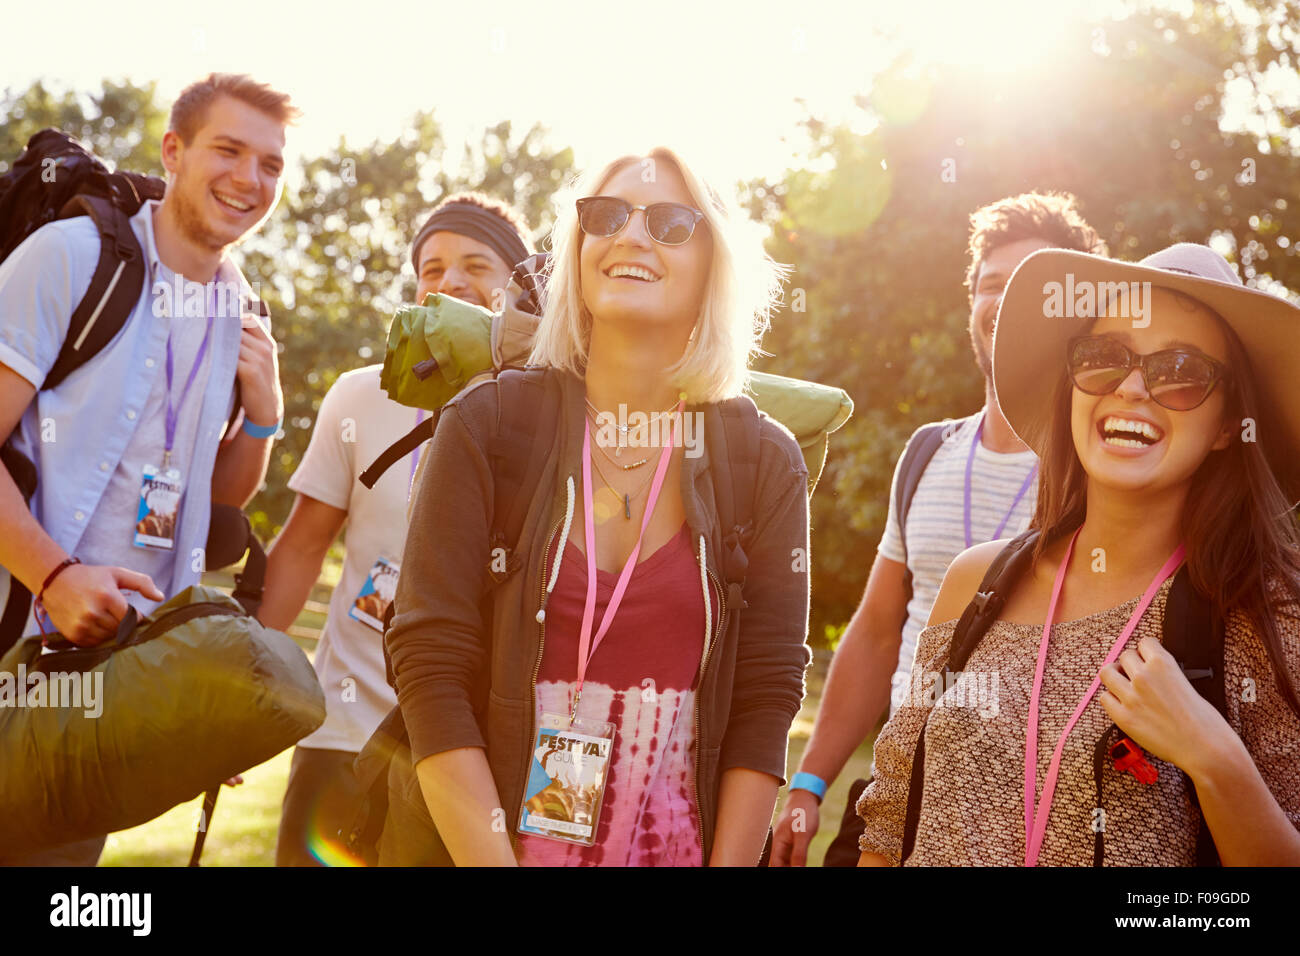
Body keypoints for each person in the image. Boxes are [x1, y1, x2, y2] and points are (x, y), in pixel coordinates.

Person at [382, 147, 811, 866]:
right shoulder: (488, 425)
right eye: (606, 215)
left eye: (672, 223)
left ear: (716, 264)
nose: (631, 236)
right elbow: (429, 662)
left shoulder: (762, 460)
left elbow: (767, 696)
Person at [857, 242, 1300, 865]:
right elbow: (889, 824)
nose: (1133, 387)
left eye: (1180, 371)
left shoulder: (1264, 616)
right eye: (1104, 358)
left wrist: (1212, 756)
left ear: (1230, 424)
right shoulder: (975, 585)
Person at [0, 73, 297, 866]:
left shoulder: (242, 310)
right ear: (173, 150)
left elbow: (219, 499)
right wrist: (56, 579)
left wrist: (266, 407)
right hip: (11, 648)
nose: (249, 179)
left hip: (98, 689)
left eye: (270, 164)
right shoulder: (69, 258)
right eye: (228, 150)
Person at [771, 192, 1106, 866]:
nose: (1005, 302)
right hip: (892, 794)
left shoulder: (1105, 466)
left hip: (1022, 813)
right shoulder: (928, 451)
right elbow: (874, 630)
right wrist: (809, 785)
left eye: (1033, 285)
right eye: (991, 285)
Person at [260, 191, 532, 867]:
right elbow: (300, 547)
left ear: (520, 286)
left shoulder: (542, 414)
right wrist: (249, 685)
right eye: (431, 268)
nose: (450, 281)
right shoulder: (360, 393)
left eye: (477, 264)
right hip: (341, 730)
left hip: (460, 751)